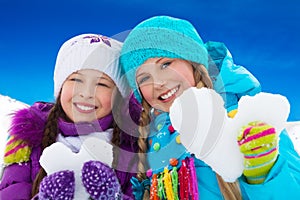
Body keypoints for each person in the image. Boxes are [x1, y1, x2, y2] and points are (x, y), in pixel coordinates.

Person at [120, 15, 300, 199]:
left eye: (166, 64)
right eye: (144, 78)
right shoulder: (155, 134)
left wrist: (264, 172)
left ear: (192, 61)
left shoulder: (241, 115)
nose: (158, 82)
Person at [0, 33, 139, 199]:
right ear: (60, 87)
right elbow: (11, 190)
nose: (86, 93)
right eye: (76, 80)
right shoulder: (28, 142)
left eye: (101, 84)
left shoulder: (132, 149)